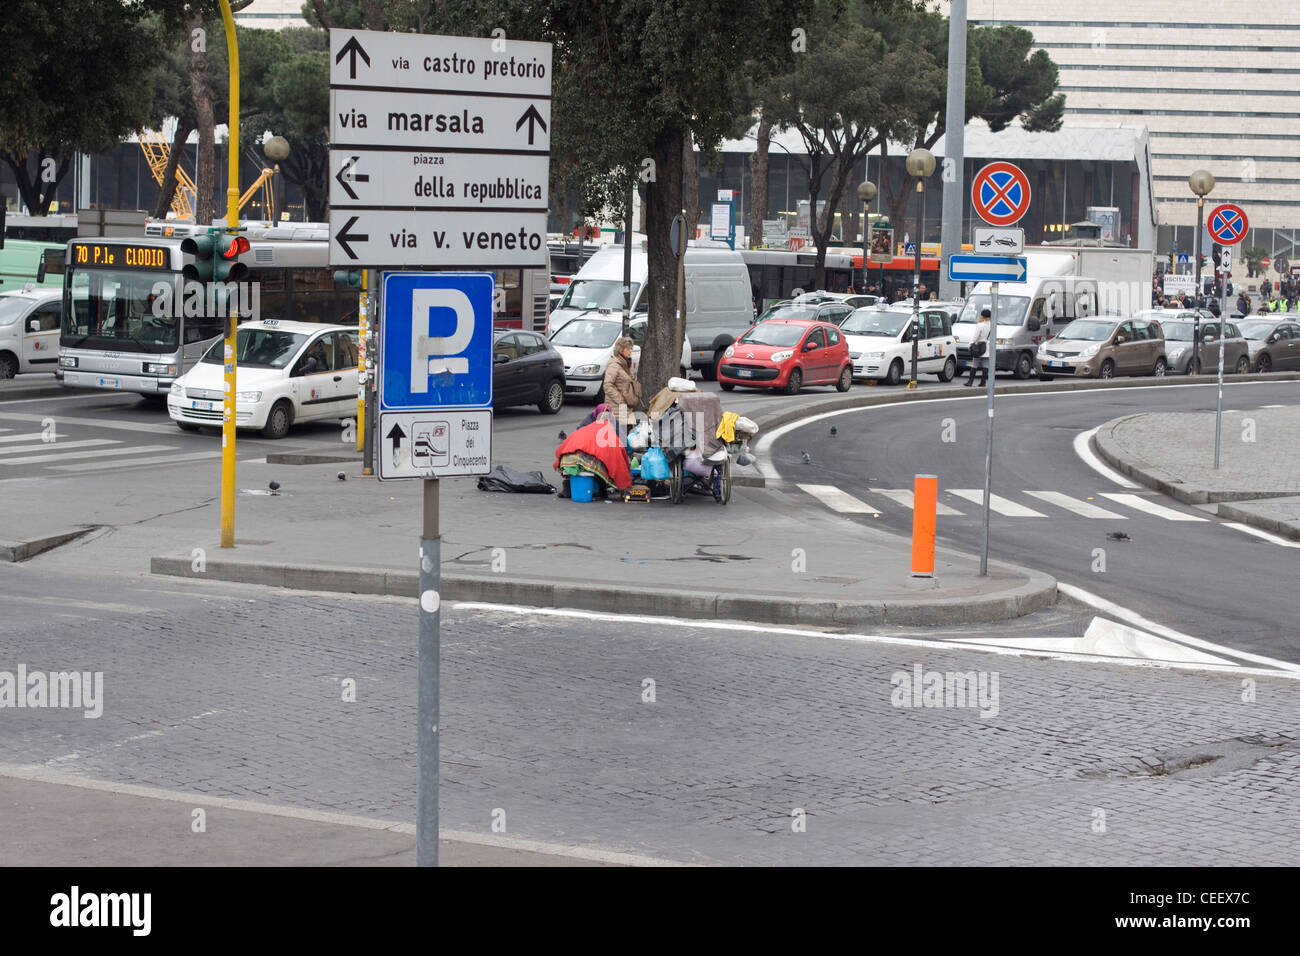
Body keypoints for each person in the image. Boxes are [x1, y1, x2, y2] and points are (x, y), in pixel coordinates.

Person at [602, 336, 642, 443]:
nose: (630, 351)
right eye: (628, 349)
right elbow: (607, 385)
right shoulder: (614, 365)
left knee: (626, 436)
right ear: (621, 349)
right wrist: (620, 400)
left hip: (626, 407)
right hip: (616, 407)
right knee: (619, 439)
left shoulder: (626, 364)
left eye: (631, 349)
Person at [965, 309, 992, 387]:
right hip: (987, 347)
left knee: (974, 364)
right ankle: (983, 382)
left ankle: (970, 382)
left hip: (978, 347)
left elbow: (975, 337)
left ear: (982, 316)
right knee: (985, 365)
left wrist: (970, 344)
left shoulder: (980, 325)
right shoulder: (993, 325)